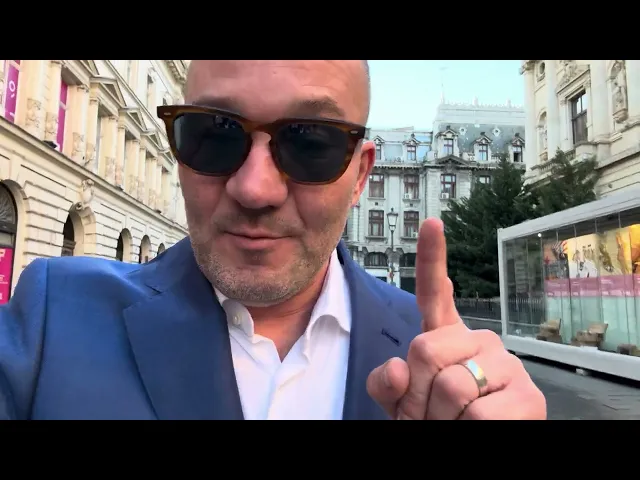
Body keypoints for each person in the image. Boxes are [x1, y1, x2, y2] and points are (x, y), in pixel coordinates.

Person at [0, 60, 546, 420]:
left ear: (360, 175)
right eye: (213, 135)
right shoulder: (54, 317)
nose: (255, 189)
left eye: (311, 145)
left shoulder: (432, 353)